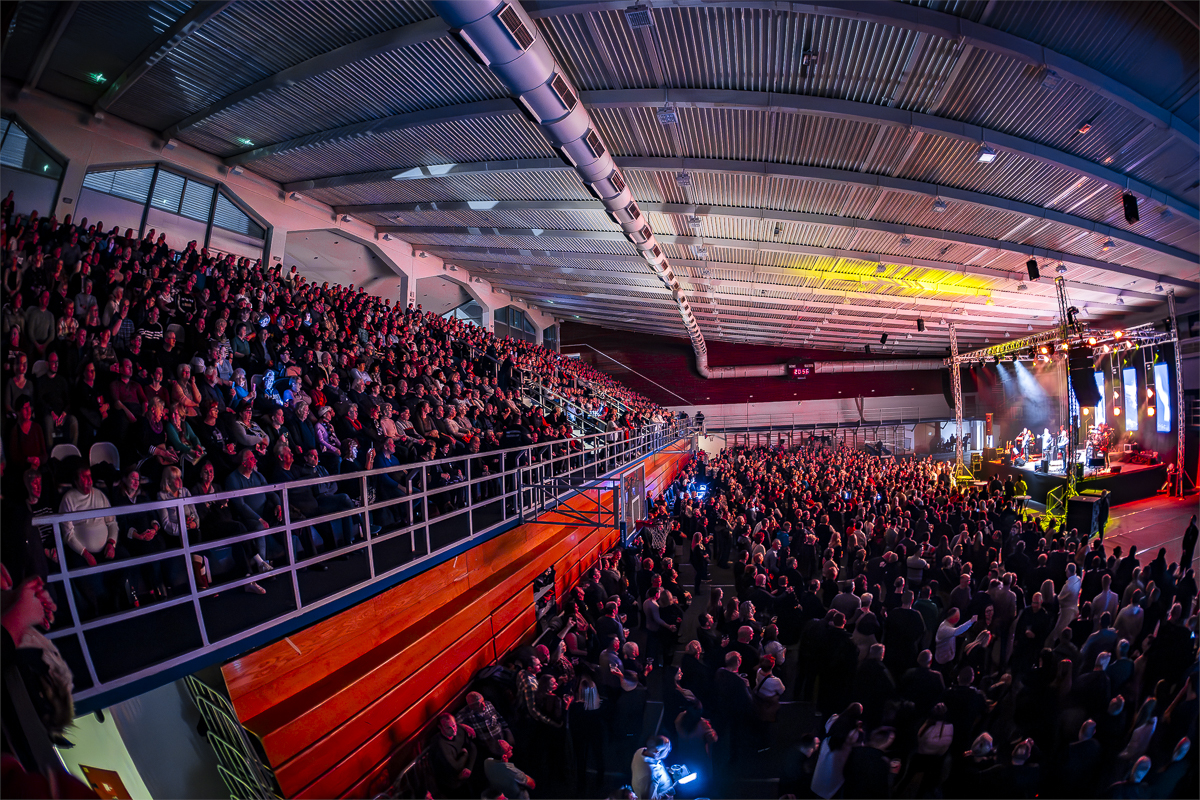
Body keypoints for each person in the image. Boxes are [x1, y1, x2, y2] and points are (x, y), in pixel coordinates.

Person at [430, 713, 477, 799]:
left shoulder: (459, 729)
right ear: (440, 727)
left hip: (465, 770)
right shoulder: (440, 744)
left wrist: (469, 768)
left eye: (454, 725)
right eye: (448, 727)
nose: (453, 729)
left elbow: (472, 747)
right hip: (452, 781)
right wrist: (465, 754)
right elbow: (455, 767)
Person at [630, 735, 674, 799]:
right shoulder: (650, 776)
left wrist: (666, 770)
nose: (669, 750)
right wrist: (666, 797)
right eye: (667, 749)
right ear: (657, 752)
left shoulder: (640, 751)